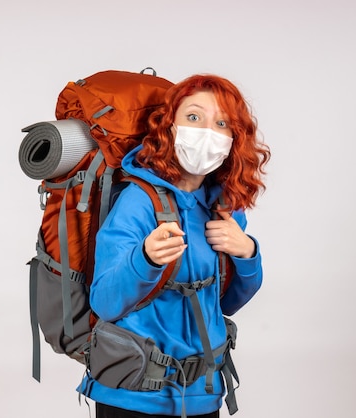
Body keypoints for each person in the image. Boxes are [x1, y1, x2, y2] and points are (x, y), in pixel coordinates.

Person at [79, 74, 271, 418]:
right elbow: (104, 303)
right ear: (169, 126)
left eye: (222, 122)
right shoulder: (138, 201)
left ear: (234, 138)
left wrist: (247, 254)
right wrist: (145, 259)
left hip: (202, 394)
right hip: (133, 395)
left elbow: (226, 302)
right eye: (193, 118)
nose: (206, 132)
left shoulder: (223, 206)